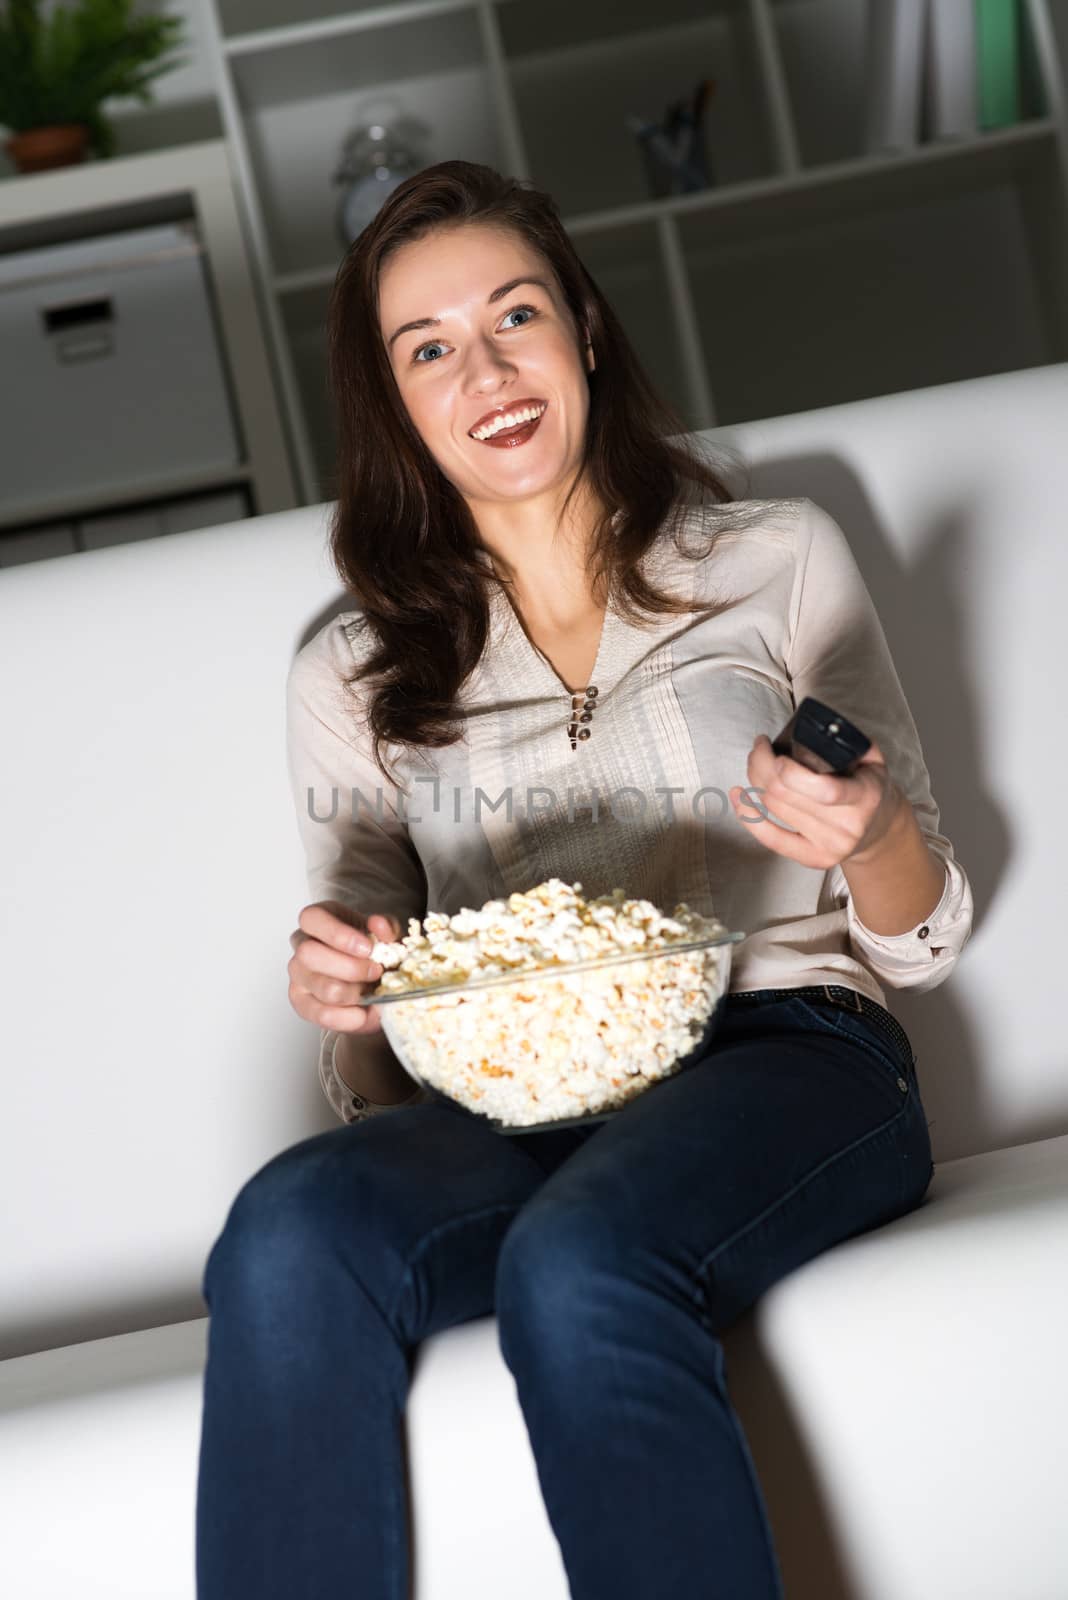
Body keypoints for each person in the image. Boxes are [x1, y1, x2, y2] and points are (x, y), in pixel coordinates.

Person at [195, 160, 974, 1599]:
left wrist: (862, 832)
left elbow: (921, 938)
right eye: (428, 350)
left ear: (587, 331)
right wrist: (349, 991)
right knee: (288, 1232)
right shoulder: (349, 675)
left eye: (515, 316)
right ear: (392, 402)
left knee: (581, 1261)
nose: (483, 371)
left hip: (792, 1053)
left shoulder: (779, 559)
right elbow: (373, 1044)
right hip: (509, 1103)